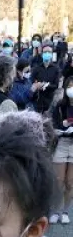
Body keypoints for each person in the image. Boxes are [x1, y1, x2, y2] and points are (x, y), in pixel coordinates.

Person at [50, 76, 73, 225]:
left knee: (70, 182)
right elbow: (54, 124)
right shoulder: (60, 105)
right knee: (58, 181)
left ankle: (65, 211)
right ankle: (55, 210)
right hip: (62, 143)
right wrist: (62, 126)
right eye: (70, 85)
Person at [31, 40, 60, 114]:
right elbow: (32, 82)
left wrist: (45, 85)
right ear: (42, 54)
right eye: (45, 52)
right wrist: (37, 85)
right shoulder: (36, 68)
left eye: (49, 52)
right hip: (37, 101)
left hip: (50, 101)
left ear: (52, 54)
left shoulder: (56, 69)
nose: (47, 53)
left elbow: (56, 85)